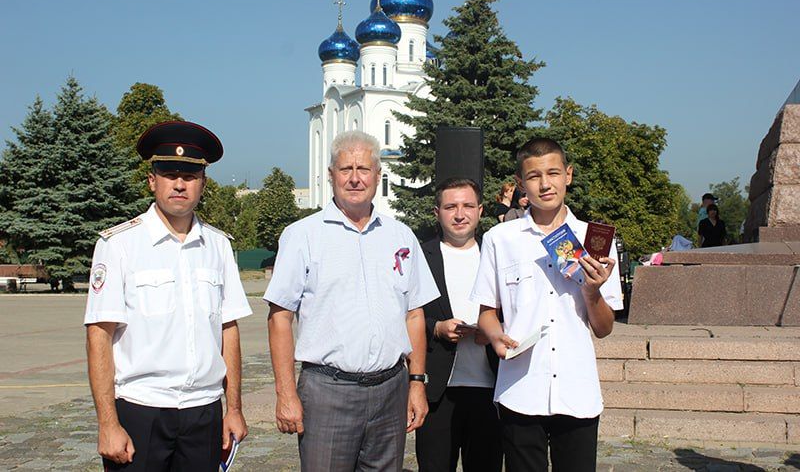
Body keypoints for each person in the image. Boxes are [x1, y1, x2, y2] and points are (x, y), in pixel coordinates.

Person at [264, 130, 439, 471]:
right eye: (346, 169)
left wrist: (416, 384)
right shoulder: (302, 236)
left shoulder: (401, 236)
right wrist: (285, 394)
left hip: (391, 390)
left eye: (364, 169)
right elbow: (280, 317)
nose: (355, 178)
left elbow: (414, 314)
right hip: (328, 392)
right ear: (331, 175)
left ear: (378, 175)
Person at [84, 121, 253, 471]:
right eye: (169, 173)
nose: (179, 184)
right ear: (152, 180)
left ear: (202, 183)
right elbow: (99, 336)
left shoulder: (218, 246)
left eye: (190, 176)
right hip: (141, 411)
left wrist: (233, 408)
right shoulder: (118, 246)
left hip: (203, 413)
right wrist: (107, 424)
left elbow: (229, 329)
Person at [471, 137, 623, 471]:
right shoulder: (501, 239)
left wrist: (593, 292)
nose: (545, 184)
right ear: (521, 183)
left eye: (553, 173)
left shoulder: (596, 241)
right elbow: (486, 313)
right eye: (534, 176)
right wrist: (496, 337)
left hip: (577, 391)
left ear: (568, 175)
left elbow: (604, 328)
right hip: (520, 389)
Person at [416, 178, 502, 472]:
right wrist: (437, 328)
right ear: (436, 212)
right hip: (439, 390)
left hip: (490, 387)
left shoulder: (497, 254)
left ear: (480, 210)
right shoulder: (420, 256)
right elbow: (405, 314)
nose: (459, 214)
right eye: (450, 206)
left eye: (467, 206)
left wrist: (491, 331)